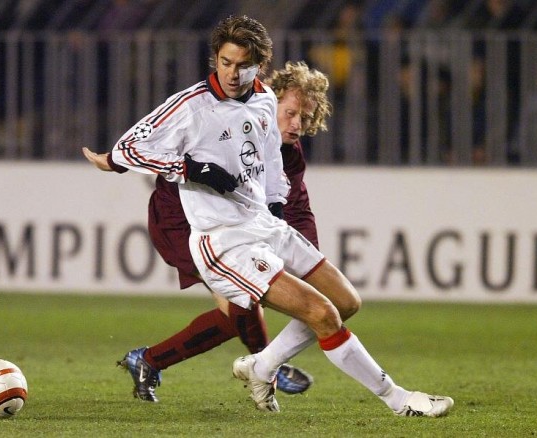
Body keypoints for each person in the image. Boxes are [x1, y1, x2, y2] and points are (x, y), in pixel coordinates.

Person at [93, 14, 453, 416]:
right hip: (221, 238)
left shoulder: (265, 99)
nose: (232, 73)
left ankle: (261, 366)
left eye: (243, 65)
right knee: (312, 314)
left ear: (260, 65)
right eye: (225, 62)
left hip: (263, 226)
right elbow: (128, 148)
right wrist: (189, 169)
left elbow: (274, 172)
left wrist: (279, 218)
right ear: (215, 58)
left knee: (345, 301)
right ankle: (399, 400)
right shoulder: (192, 106)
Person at [83, 60, 331, 402]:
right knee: (242, 301)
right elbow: (164, 139)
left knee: (238, 310)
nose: (297, 124)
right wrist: (116, 162)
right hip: (181, 221)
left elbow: (297, 207)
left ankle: (149, 361)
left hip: (231, 228)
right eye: (290, 113)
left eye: (305, 117)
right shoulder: (226, 118)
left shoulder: (289, 155)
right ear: (270, 102)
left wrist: (312, 265)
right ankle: (267, 367)